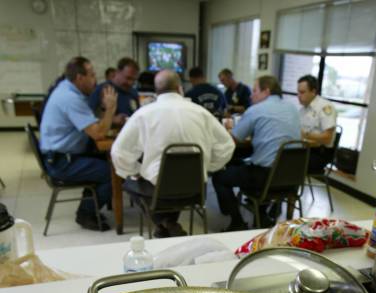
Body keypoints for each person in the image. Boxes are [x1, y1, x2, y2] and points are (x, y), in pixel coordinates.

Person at [111, 70, 235, 238]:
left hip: (158, 191)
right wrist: (208, 168)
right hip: (196, 189)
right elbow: (227, 145)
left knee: (130, 182)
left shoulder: (143, 114)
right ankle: (168, 224)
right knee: (172, 188)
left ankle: (164, 223)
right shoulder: (201, 113)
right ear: (180, 88)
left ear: (156, 91)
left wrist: (137, 171)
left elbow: (118, 153)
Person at [212, 75, 301, 232]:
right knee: (247, 163)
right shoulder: (293, 108)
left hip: (264, 176)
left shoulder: (256, 110)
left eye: (255, 91)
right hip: (292, 177)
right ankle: (263, 215)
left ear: (266, 91)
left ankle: (237, 222)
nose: (251, 95)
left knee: (219, 177)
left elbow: (233, 138)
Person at [40, 56, 117, 231]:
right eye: (92, 75)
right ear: (80, 78)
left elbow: (90, 125)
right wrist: (110, 109)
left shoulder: (67, 91)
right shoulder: (70, 98)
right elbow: (98, 134)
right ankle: (86, 214)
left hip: (61, 155)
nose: (95, 80)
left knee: (105, 163)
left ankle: (91, 206)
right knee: (111, 172)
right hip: (61, 162)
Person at [297, 74, 337, 173]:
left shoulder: (325, 107)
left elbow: (328, 138)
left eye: (302, 92)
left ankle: (289, 187)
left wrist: (305, 135)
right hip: (306, 149)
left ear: (313, 91)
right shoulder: (303, 109)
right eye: (298, 92)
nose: (298, 95)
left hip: (319, 153)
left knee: (286, 162)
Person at [89, 57, 139, 127]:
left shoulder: (133, 93)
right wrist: (112, 120)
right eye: (128, 78)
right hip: (107, 136)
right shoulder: (101, 90)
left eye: (134, 80)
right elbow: (89, 119)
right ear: (117, 72)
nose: (131, 83)